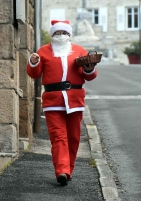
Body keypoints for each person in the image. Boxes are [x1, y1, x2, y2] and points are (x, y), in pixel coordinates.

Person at [26, 19, 98, 186]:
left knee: (73, 137)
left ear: (69, 34)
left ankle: (68, 169)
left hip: (75, 100)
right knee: (58, 137)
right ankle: (62, 171)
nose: (61, 36)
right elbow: (34, 74)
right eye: (58, 33)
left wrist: (89, 67)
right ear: (52, 35)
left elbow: (90, 75)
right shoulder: (43, 51)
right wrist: (34, 62)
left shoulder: (79, 51)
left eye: (64, 33)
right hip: (53, 101)